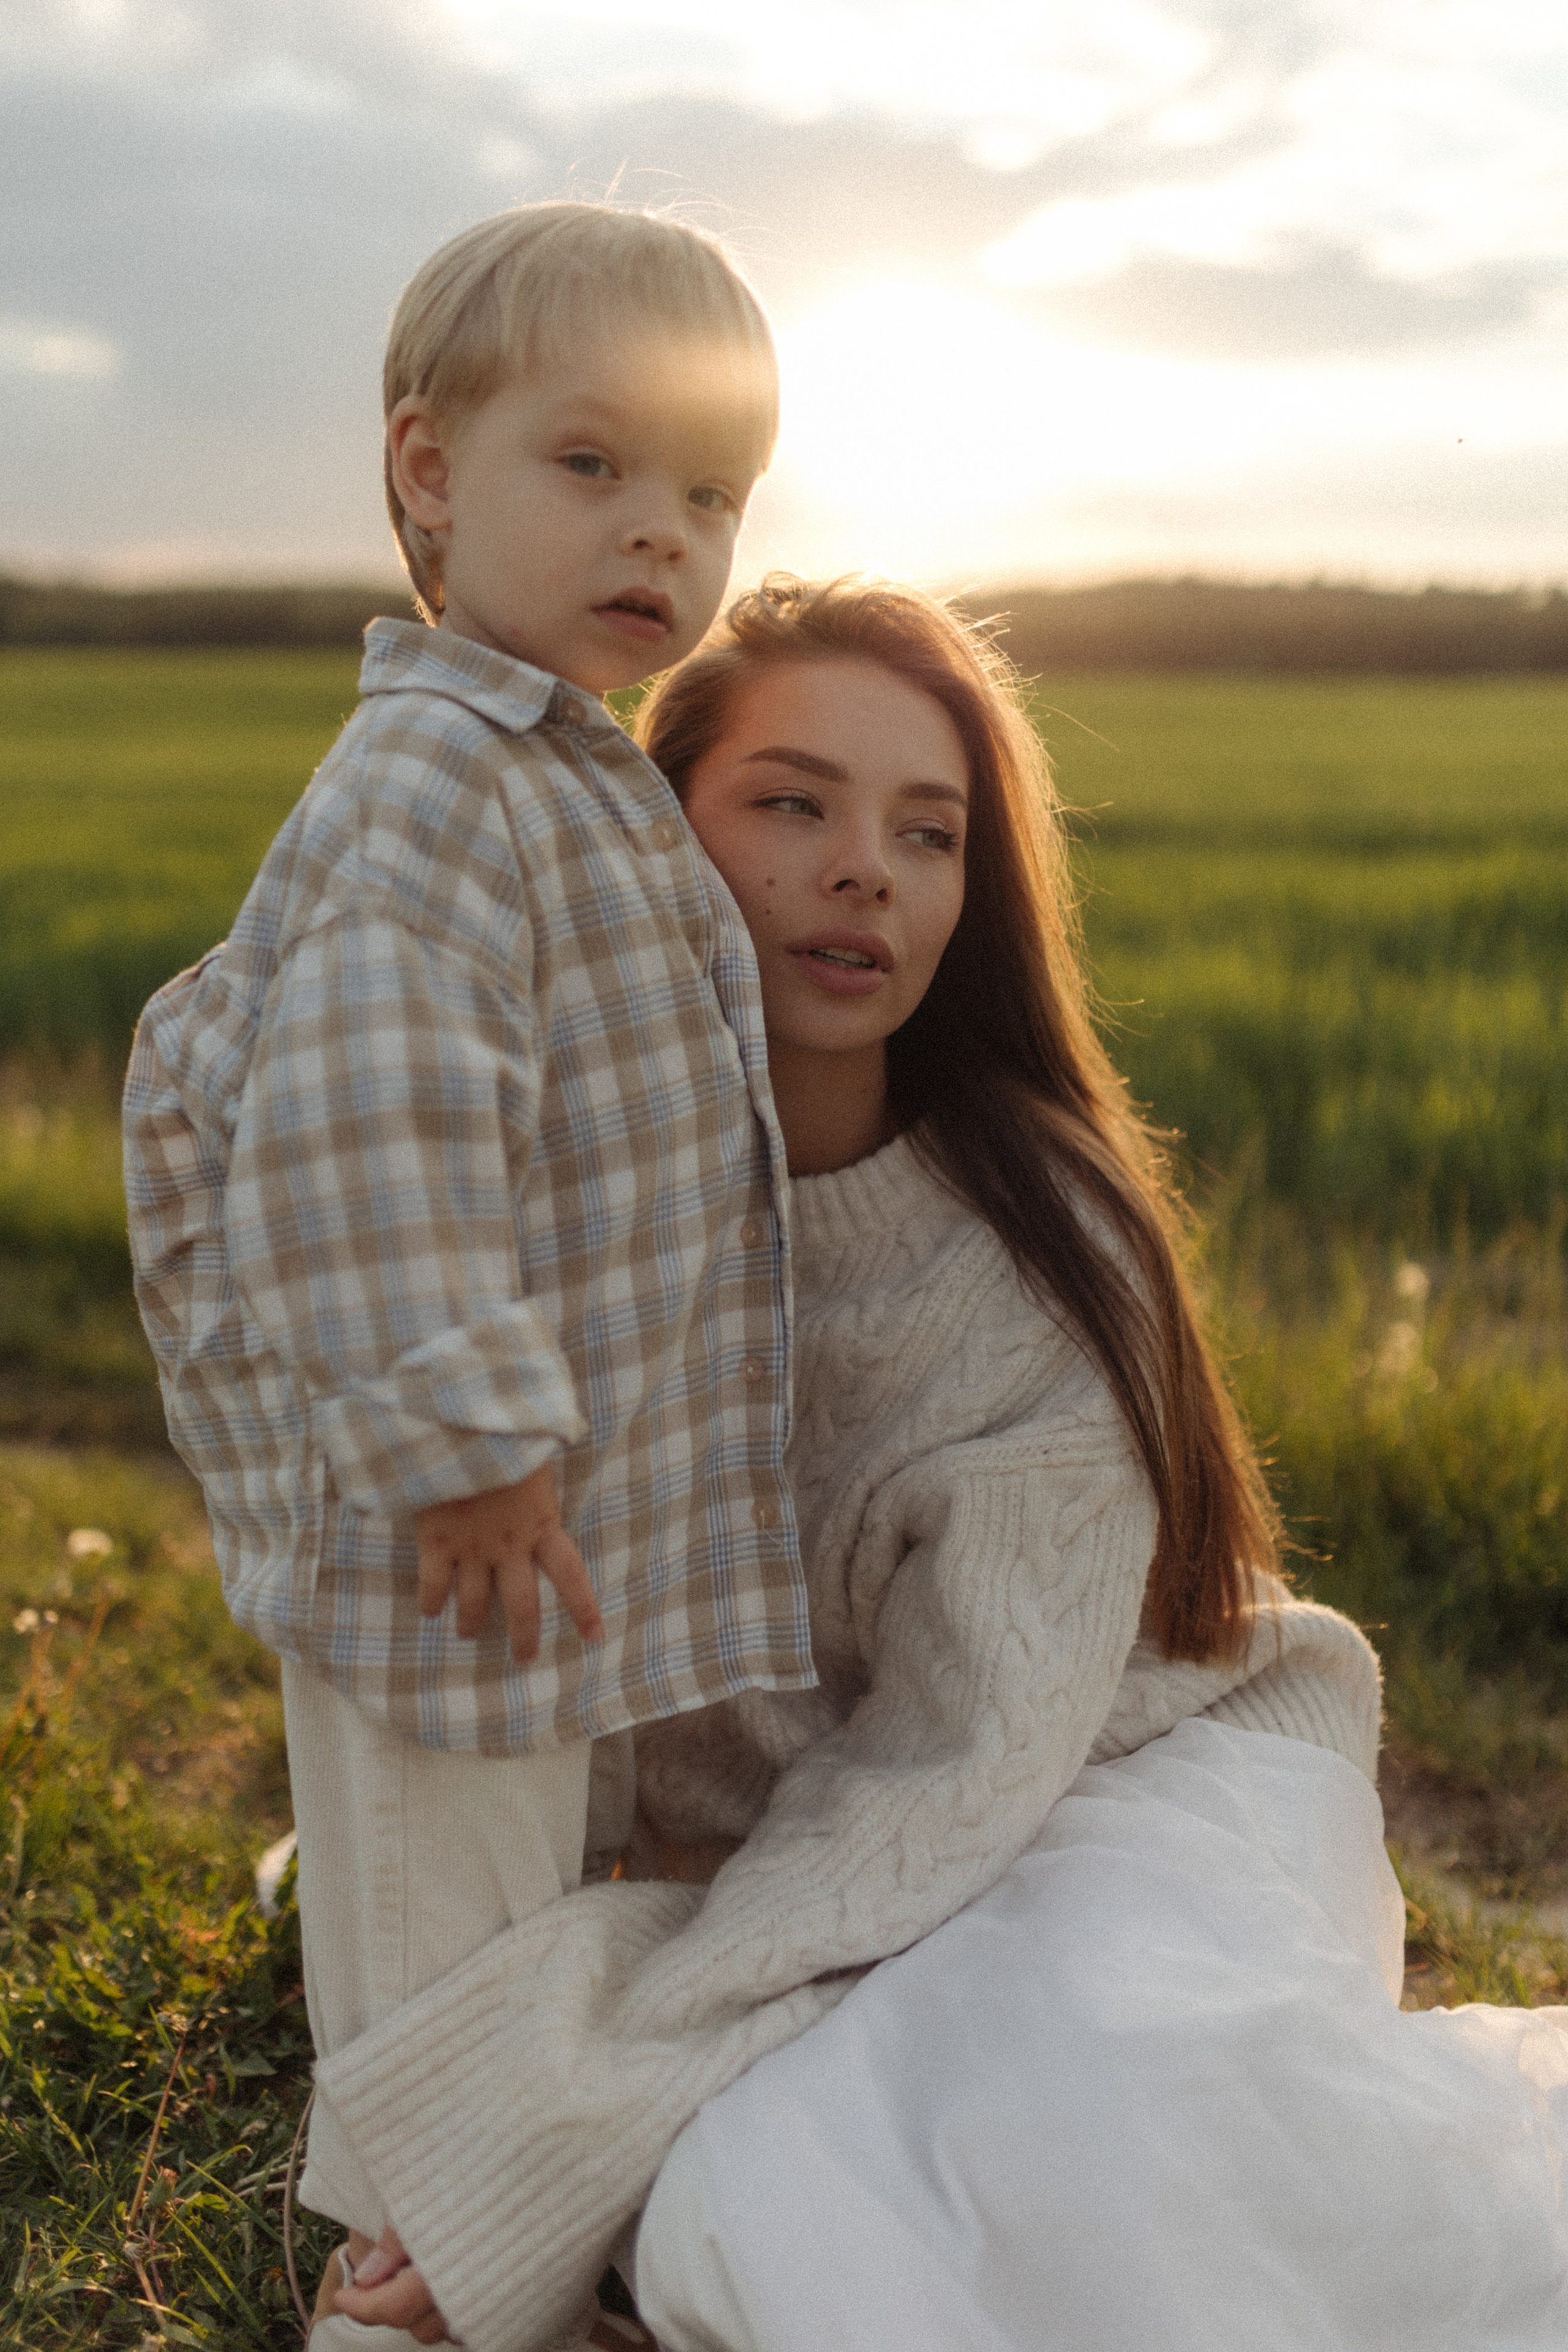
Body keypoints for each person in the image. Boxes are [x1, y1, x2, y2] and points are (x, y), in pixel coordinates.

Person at [320, 578, 1517, 2352]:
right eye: (791, 804)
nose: (865, 872)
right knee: (794, 2175)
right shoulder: (525, 1213)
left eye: (928, 832)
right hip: (814, 1847)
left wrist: (555, 2119)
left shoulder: (1045, 1246)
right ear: (651, 832)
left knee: (1041, 2142)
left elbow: (946, 1782)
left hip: (1118, 1785)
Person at [121, 205, 818, 2352]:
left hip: (518, 1518)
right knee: (452, 1921)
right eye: (592, 466)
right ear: (430, 473)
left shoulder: (553, 767)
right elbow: (364, 1133)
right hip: (454, 1523)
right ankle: (417, 2280)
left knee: (506, 1876)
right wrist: (469, 1445)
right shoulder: (435, 781)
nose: (662, 535)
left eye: (712, 493)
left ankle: (480, 2208)